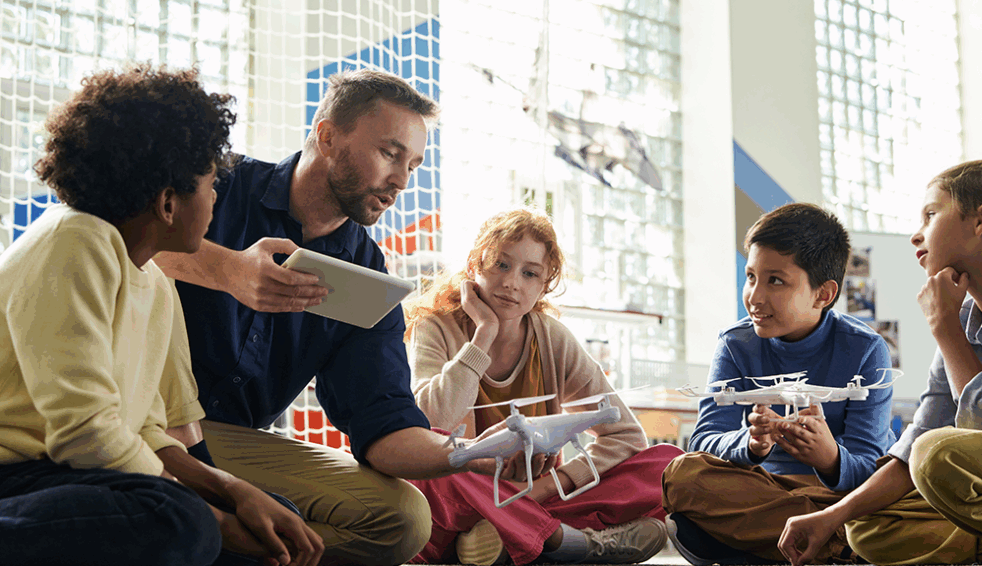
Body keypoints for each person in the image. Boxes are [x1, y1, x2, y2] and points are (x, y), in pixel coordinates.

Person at [154, 68, 497, 565]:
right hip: (147, 417)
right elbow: (116, 239)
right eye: (390, 153)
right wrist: (226, 269)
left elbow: (383, 424)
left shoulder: (367, 273)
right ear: (328, 135)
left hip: (234, 442)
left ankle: (221, 541)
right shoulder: (220, 182)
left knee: (404, 517)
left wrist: (472, 454)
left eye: (413, 165)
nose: (401, 180)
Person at [0, 65, 322, 565]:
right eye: (210, 184)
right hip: (20, 476)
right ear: (169, 203)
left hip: (76, 474)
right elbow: (83, 433)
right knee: (184, 521)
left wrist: (233, 490)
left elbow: (146, 430)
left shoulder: (153, 277)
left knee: (270, 519)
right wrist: (215, 519)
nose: (216, 198)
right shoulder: (75, 241)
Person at [778, 157, 982, 566]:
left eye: (931, 215)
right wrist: (832, 515)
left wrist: (945, 329)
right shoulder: (960, 318)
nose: (915, 235)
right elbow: (915, 443)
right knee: (865, 524)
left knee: (939, 455)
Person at [405, 207, 679, 566]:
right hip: (463, 494)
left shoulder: (551, 338)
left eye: (529, 273)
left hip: (536, 495)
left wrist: (541, 488)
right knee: (430, 471)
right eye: (500, 265)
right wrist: (482, 335)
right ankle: (560, 541)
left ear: (544, 284)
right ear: (474, 265)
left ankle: (499, 538)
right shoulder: (436, 326)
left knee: (667, 463)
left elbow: (625, 436)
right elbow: (430, 423)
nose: (512, 282)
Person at [661, 202, 896, 564]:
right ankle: (835, 548)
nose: (754, 297)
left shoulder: (866, 349)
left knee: (898, 500)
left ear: (823, 294)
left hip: (839, 499)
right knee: (681, 475)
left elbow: (872, 463)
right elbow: (704, 441)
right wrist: (752, 445)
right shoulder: (735, 344)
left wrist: (829, 458)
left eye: (776, 281)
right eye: (751, 276)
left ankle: (791, 540)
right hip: (761, 489)